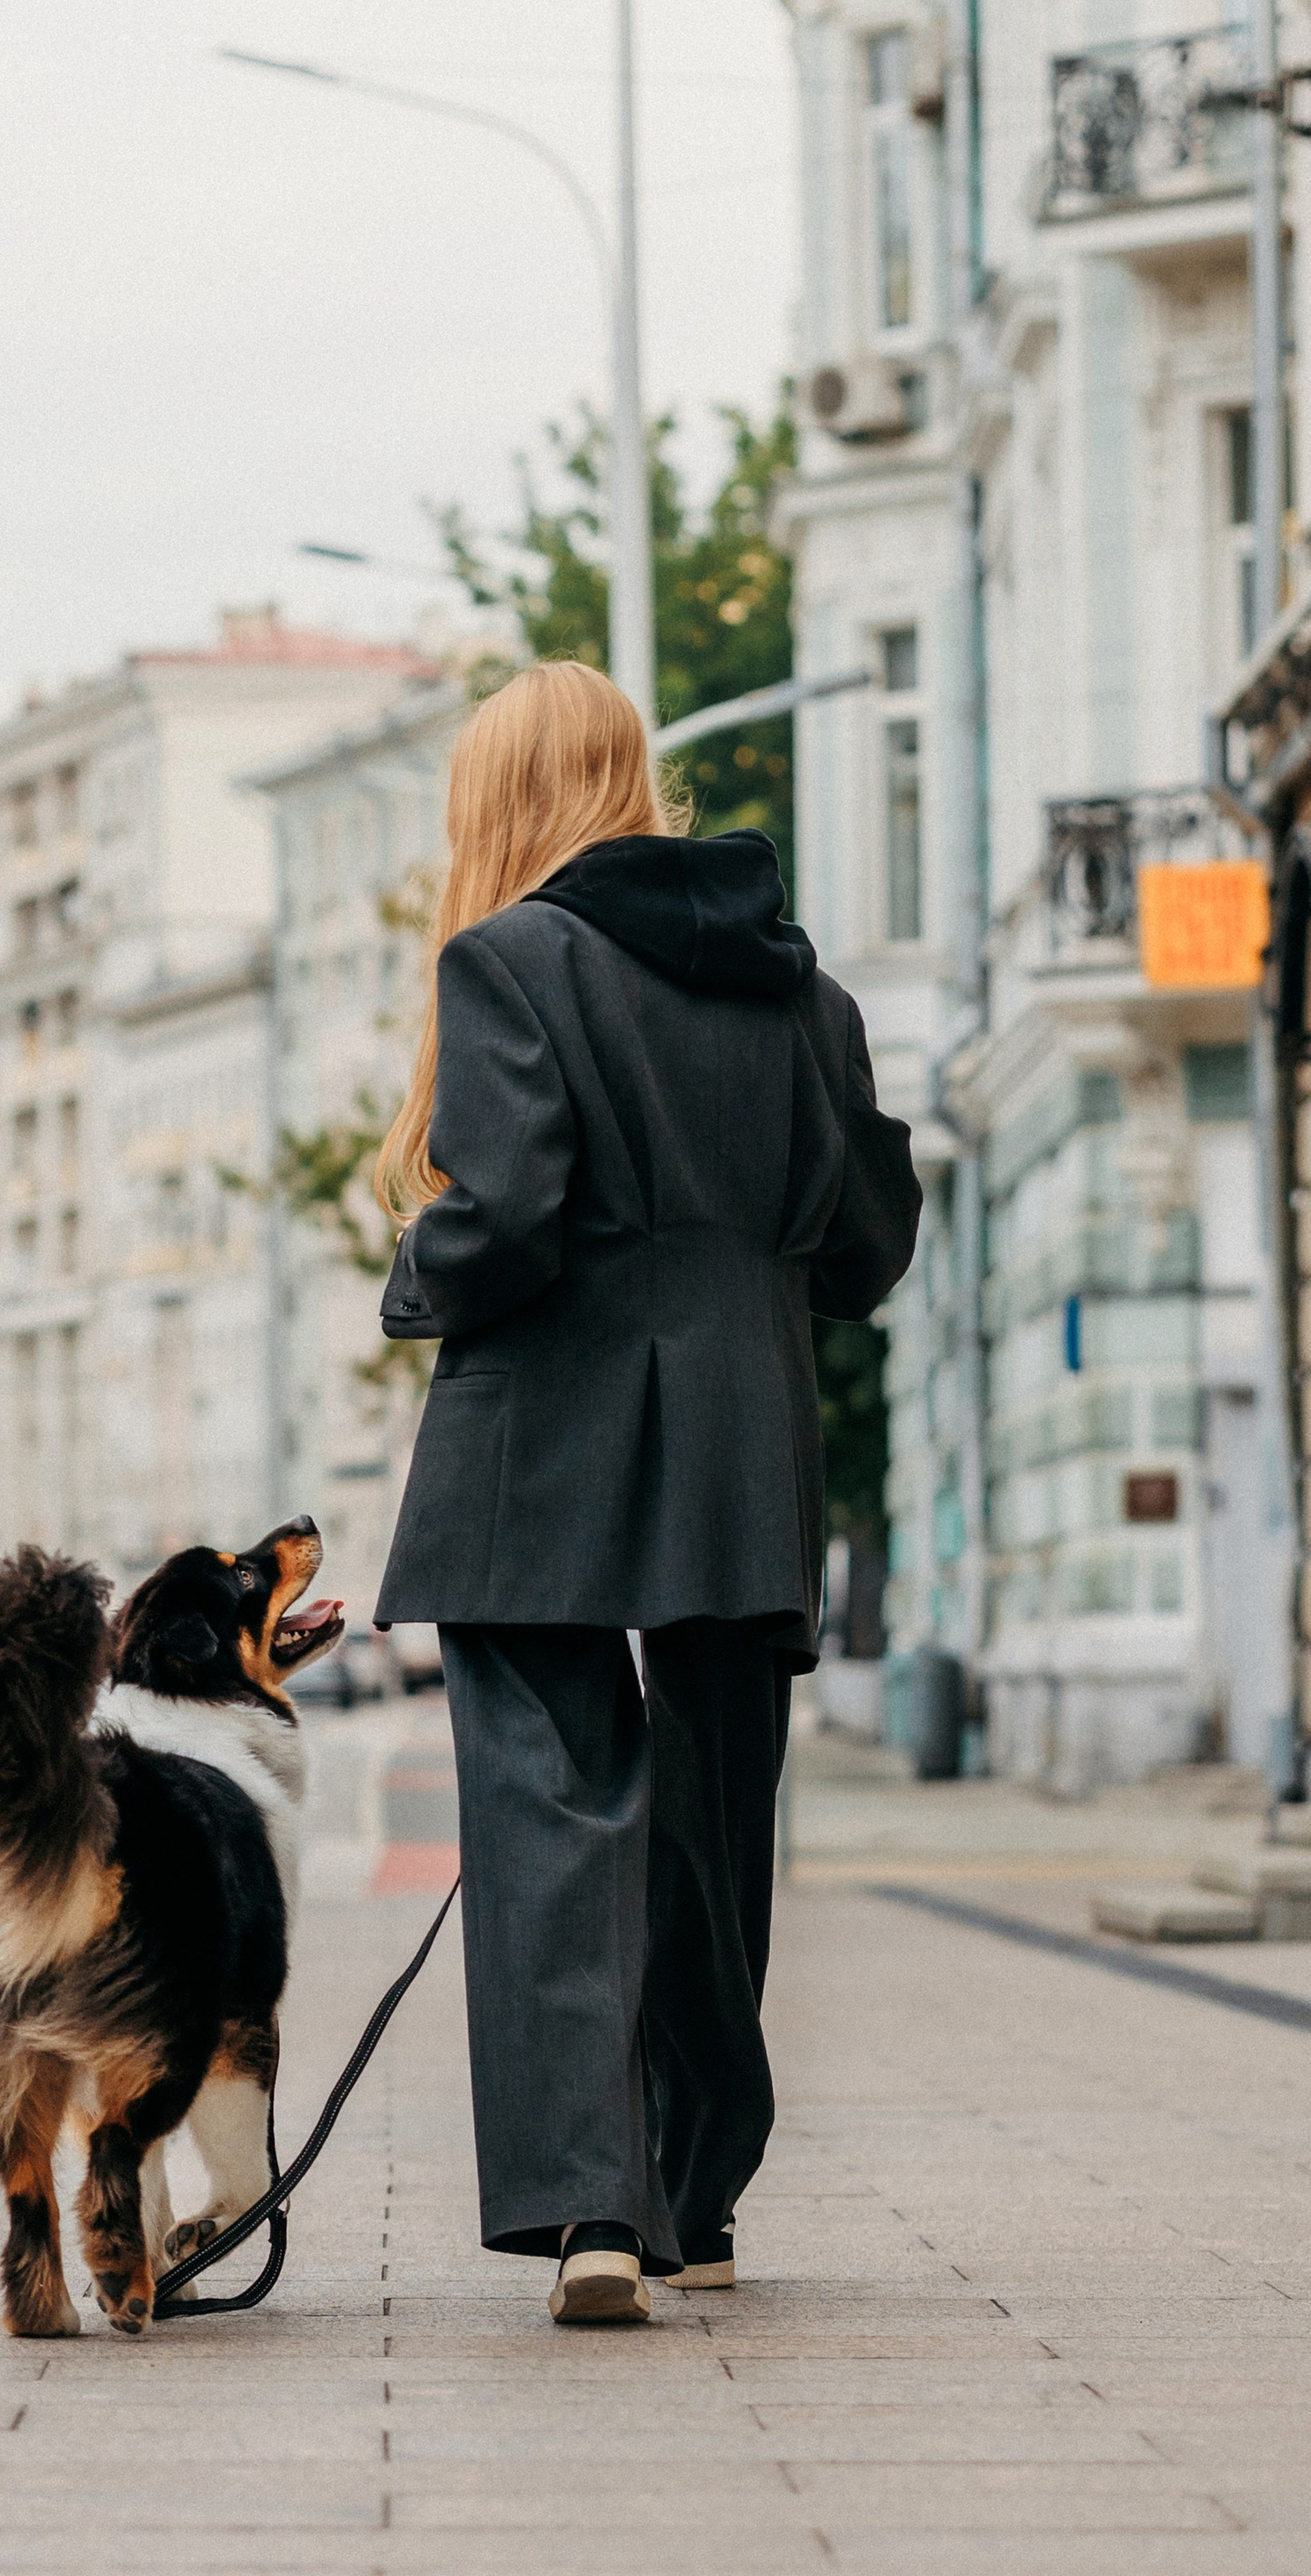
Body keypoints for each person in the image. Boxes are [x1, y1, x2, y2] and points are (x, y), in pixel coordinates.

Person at [372, 660, 920, 2324]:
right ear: (636, 779)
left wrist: (418, 1271)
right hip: (746, 1432)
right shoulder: (803, 996)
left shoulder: (511, 959)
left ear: (499, 805)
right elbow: (871, 1242)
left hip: (546, 1428)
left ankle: (589, 2208)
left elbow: (513, 1207)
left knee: (549, 1796)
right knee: (711, 1820)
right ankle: (699, 2196)